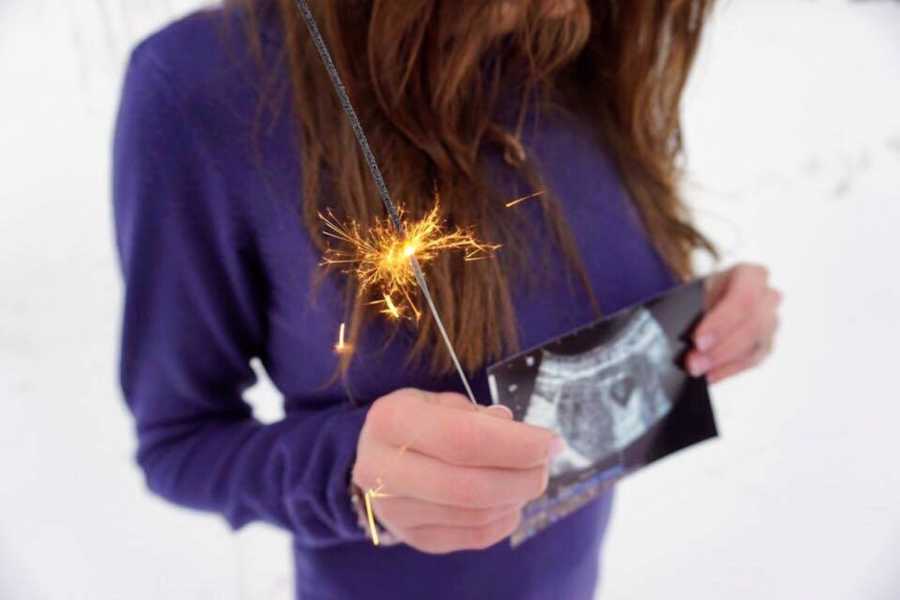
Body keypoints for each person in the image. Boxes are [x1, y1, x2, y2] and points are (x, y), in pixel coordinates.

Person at [111, 0, 782, 598]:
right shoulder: (204, 91)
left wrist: (705, 314)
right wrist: (347, 473)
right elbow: (179, 442)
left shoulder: (585, 38)